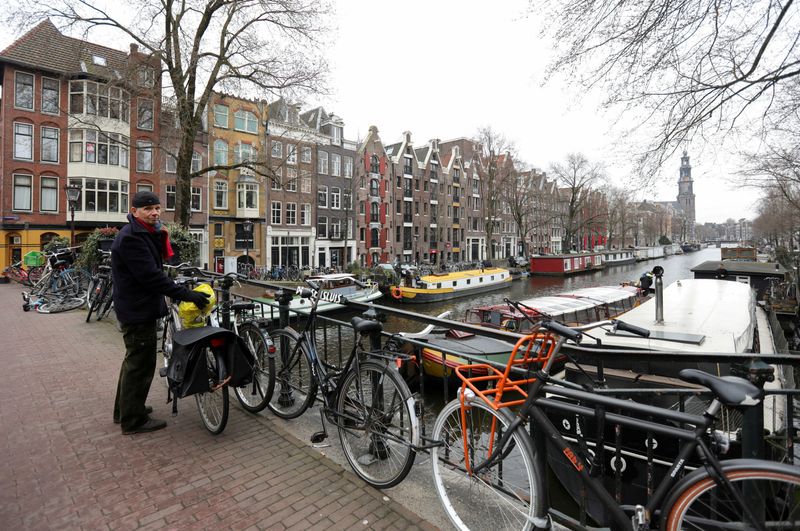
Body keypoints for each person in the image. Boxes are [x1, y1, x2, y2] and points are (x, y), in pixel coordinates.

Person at [112, 191, 210, 435]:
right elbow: (151, 277)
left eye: (156, 208)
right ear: (134, 211)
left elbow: (154, 270)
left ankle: (124, 410)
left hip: (136, 306)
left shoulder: (143, 233)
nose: (154, 213)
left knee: (132, 361)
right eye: (148, 209)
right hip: (138, 309)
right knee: (140, 364)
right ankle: (133, 421)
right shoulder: (132, 238)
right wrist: (187, 295)